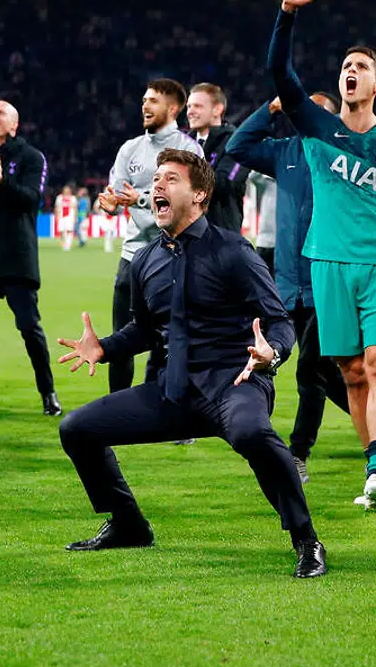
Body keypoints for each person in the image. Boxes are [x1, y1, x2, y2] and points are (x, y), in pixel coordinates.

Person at [55, 149, 324, 578]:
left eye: (171, 179)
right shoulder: (144, 260)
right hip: (173, 391)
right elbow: (143, 331)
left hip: (235, 383)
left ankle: (306, 539)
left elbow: (278, 320)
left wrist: (273, 352)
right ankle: (128, 525)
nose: (157, 186)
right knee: (76, 429)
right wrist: (104, 348)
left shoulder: (234, 251)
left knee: (254, 433)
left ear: (199, 195)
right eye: (156, 179)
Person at [269, 0, 376, 510]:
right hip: (328, 263)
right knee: (351, 372)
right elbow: (280, 74)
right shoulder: (316, 126)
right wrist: (287, 15)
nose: (351, 70)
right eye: (346, 65)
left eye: (362, 66)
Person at [228, 93, 376, 485]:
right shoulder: (286, 151)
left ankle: (298, 454)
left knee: (311, 372)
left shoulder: (348, 157)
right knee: (324, 370)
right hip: (285, 282)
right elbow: (237, 147)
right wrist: (270, 109)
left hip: (328, 279)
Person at [96, 79, 203, 394]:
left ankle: (178, 417)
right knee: (119, 342)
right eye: (144, 99)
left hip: (174, 258)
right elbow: (116, 197)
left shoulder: (188, 149)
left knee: (176, 342)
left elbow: (192, 197)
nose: (145, 105)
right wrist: (111, 205)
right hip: (132, 259)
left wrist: (139, 199)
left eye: (153, 100)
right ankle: (113, 416)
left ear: (172, 108)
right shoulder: (130, 149)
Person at [0, 99, 64, 420]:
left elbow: (32, 200)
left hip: (16, 258)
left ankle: (48, 392)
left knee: (29, 327)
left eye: (1, 113)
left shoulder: (31, 157)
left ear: (14, 125)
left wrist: (2, 183)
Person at [186, 82, 250, 233]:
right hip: (188, 237)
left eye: (197, 106)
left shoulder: (237, 143)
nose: (190, 112)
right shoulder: (182, 143)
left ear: (217, 109)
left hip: (222, 237)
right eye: (189, 106)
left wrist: (184, 178)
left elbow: (226, 183)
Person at [249, 169, 277, 272]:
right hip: (264, 241)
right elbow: (252, 176)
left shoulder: (289, 186)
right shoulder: (266, 181)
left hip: (281, 243)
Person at [55, 184, 78, 251]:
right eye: (65, 190)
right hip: (61, 216)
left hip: (70, 216)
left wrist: (75, 217)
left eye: (68, 190)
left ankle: (68, 245)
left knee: (69, 230)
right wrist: (56, 215)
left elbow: (75, 208)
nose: (66, 191)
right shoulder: (59, 197)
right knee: (62, 231)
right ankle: (65, 242)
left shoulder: (73, 198)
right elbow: (56, 207)